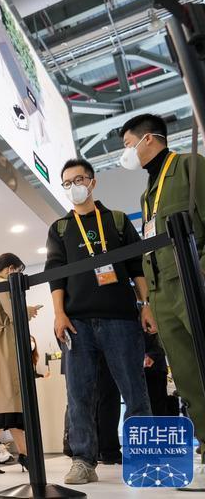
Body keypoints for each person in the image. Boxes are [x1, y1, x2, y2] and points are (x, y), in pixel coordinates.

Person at [45, 158, 154, 484]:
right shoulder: (60, 228)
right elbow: (55, 276)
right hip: (77, 323)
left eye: (79, 180)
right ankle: (83, 461)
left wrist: (145, 305)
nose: (73, 187)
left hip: (121, 318)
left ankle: (144, 457)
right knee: (79, 395)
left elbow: (136, 267)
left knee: (134, 390)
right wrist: (59, 314)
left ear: (92, 182)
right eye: (67, 183)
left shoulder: (117, 220)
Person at [119, 113, 205, 456]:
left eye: (128, 144)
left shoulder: (189, 167)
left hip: (193, 282)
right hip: (162, 294)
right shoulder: (146, 196)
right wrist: (150, 302)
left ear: (148, 139)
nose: (126, 153)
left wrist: (201, 272)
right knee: (185, 372)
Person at [0, 253, 38, 474]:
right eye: (18, 270)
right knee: (9, 397)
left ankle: (25, 453)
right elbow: (13, 313)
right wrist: (29, 311)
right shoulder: (2, 285)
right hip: (5, 344)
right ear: (11, 268)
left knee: (9, 398)